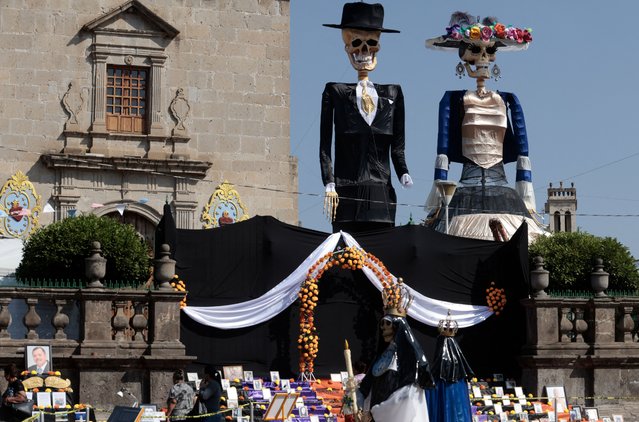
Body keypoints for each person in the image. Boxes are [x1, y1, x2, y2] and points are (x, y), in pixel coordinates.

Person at [423, 12, 546, 242]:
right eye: (476, 50)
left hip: (502, 185)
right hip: (464, 188)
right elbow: (443, 148)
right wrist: (441, 193)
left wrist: (526, 196)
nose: (483, 58)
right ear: (463, 55)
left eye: (490, 51)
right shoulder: (452, 100)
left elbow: (523, 150)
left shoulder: (508, 100)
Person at [320, 2, 412, 234]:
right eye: (357, 44)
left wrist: (404, 172)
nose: (364, 52)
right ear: (347, 46)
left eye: (371, 44)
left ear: (378, 46)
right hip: (346, 190)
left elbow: (398, 148)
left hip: (381, 191)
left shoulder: (392, 93)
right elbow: (325, 146)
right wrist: (329, 183)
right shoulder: (336, 92)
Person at [350, 281, 434, 422]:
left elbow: (406, 396)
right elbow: (368, 385)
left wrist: (377, 411)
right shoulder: (383, 356)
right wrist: (356, 398)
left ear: (398, 327)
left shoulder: (409, 360)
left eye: (388, 323)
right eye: (382, 324)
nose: (383, 328)